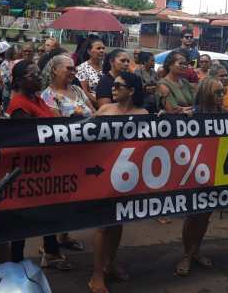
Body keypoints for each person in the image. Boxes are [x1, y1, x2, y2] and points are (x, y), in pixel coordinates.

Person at [6, 60, 75, 271]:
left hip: (44, 166)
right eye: (33, 75)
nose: (38, 77)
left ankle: (50, 251)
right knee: (23, 218)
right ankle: (16, 263)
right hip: (29, 169)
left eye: (38, 73)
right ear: (19, 81)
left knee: (48, 211)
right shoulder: (19, 105)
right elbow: (25, 139)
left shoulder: (36, 99)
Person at [89, 72, 147, 293]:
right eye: (113, 85)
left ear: (131, 91)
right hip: (103, 173)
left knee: (118, 221)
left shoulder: (142, 114)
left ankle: (110, 263)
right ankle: (96, 274)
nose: (113, 88)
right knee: (102, 225)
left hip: (126, 176)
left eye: (118, 86)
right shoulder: (104, 110)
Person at [174, 76, 222, 277]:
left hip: (215, 171)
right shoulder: (192, 114)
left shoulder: (222, 114)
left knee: (206, 215)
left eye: (222, 92)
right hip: (194, 172)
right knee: (193, 215)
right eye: (218, 92)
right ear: (207, 94)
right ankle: (186, 254)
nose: (221, 96)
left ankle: (195, 251)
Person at [76, 38, 105, 106]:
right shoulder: (82, 68)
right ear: (89, 51)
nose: (102, 51)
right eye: (98, 48)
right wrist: (101, 104)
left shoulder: (107, 66)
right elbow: (85, 92)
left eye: (103, 48)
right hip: (93, 104)